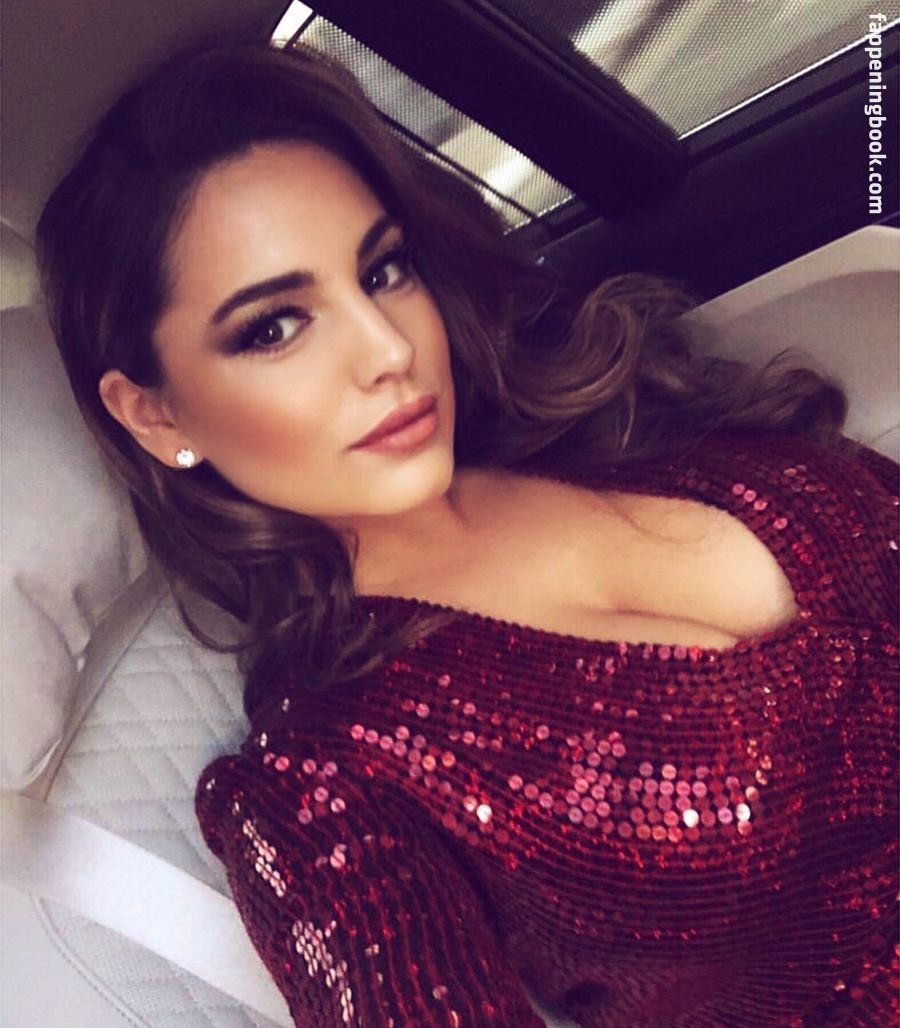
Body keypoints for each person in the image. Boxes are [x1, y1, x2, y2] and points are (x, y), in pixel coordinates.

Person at [37, 40, 897, 1028]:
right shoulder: (324, 783)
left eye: (383, 270)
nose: (388, 350)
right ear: (155, 415)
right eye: (274, 327)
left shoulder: (609, 409)